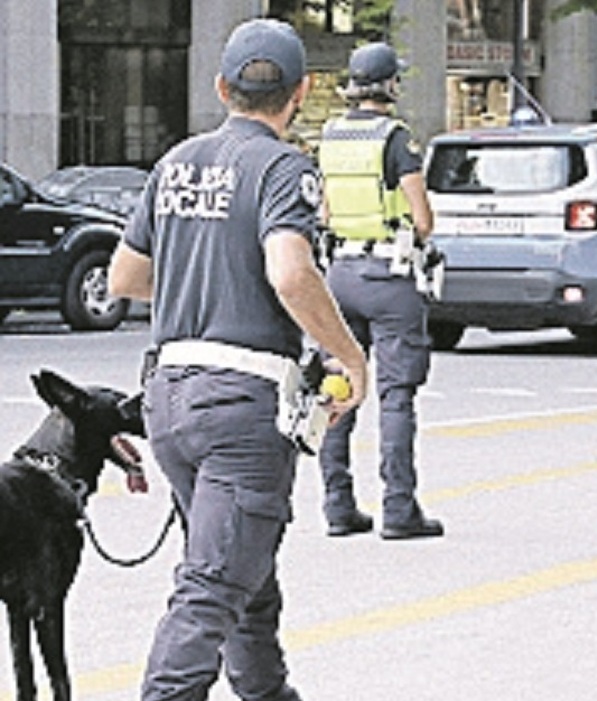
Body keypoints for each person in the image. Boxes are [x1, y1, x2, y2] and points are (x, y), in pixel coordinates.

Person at [107, 18, 368, 701]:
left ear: (222, 87)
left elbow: (124, 278)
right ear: (303, 92)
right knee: (214, 586)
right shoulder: (284, 167)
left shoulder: (175, 163)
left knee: (243, 577)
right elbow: (290, 272)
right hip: (239, 408)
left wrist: (205, 281)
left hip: (169, 400)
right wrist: (348, 354)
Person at [316, 41, 442, 540]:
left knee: (338, 390)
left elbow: (323, 213)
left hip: (339, 276)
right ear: (390, 85)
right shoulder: (396, 139)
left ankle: (337, 505)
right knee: (395, 397)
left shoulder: (330, 136)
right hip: (390, 278)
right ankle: (398, 508)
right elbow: (423, 219)